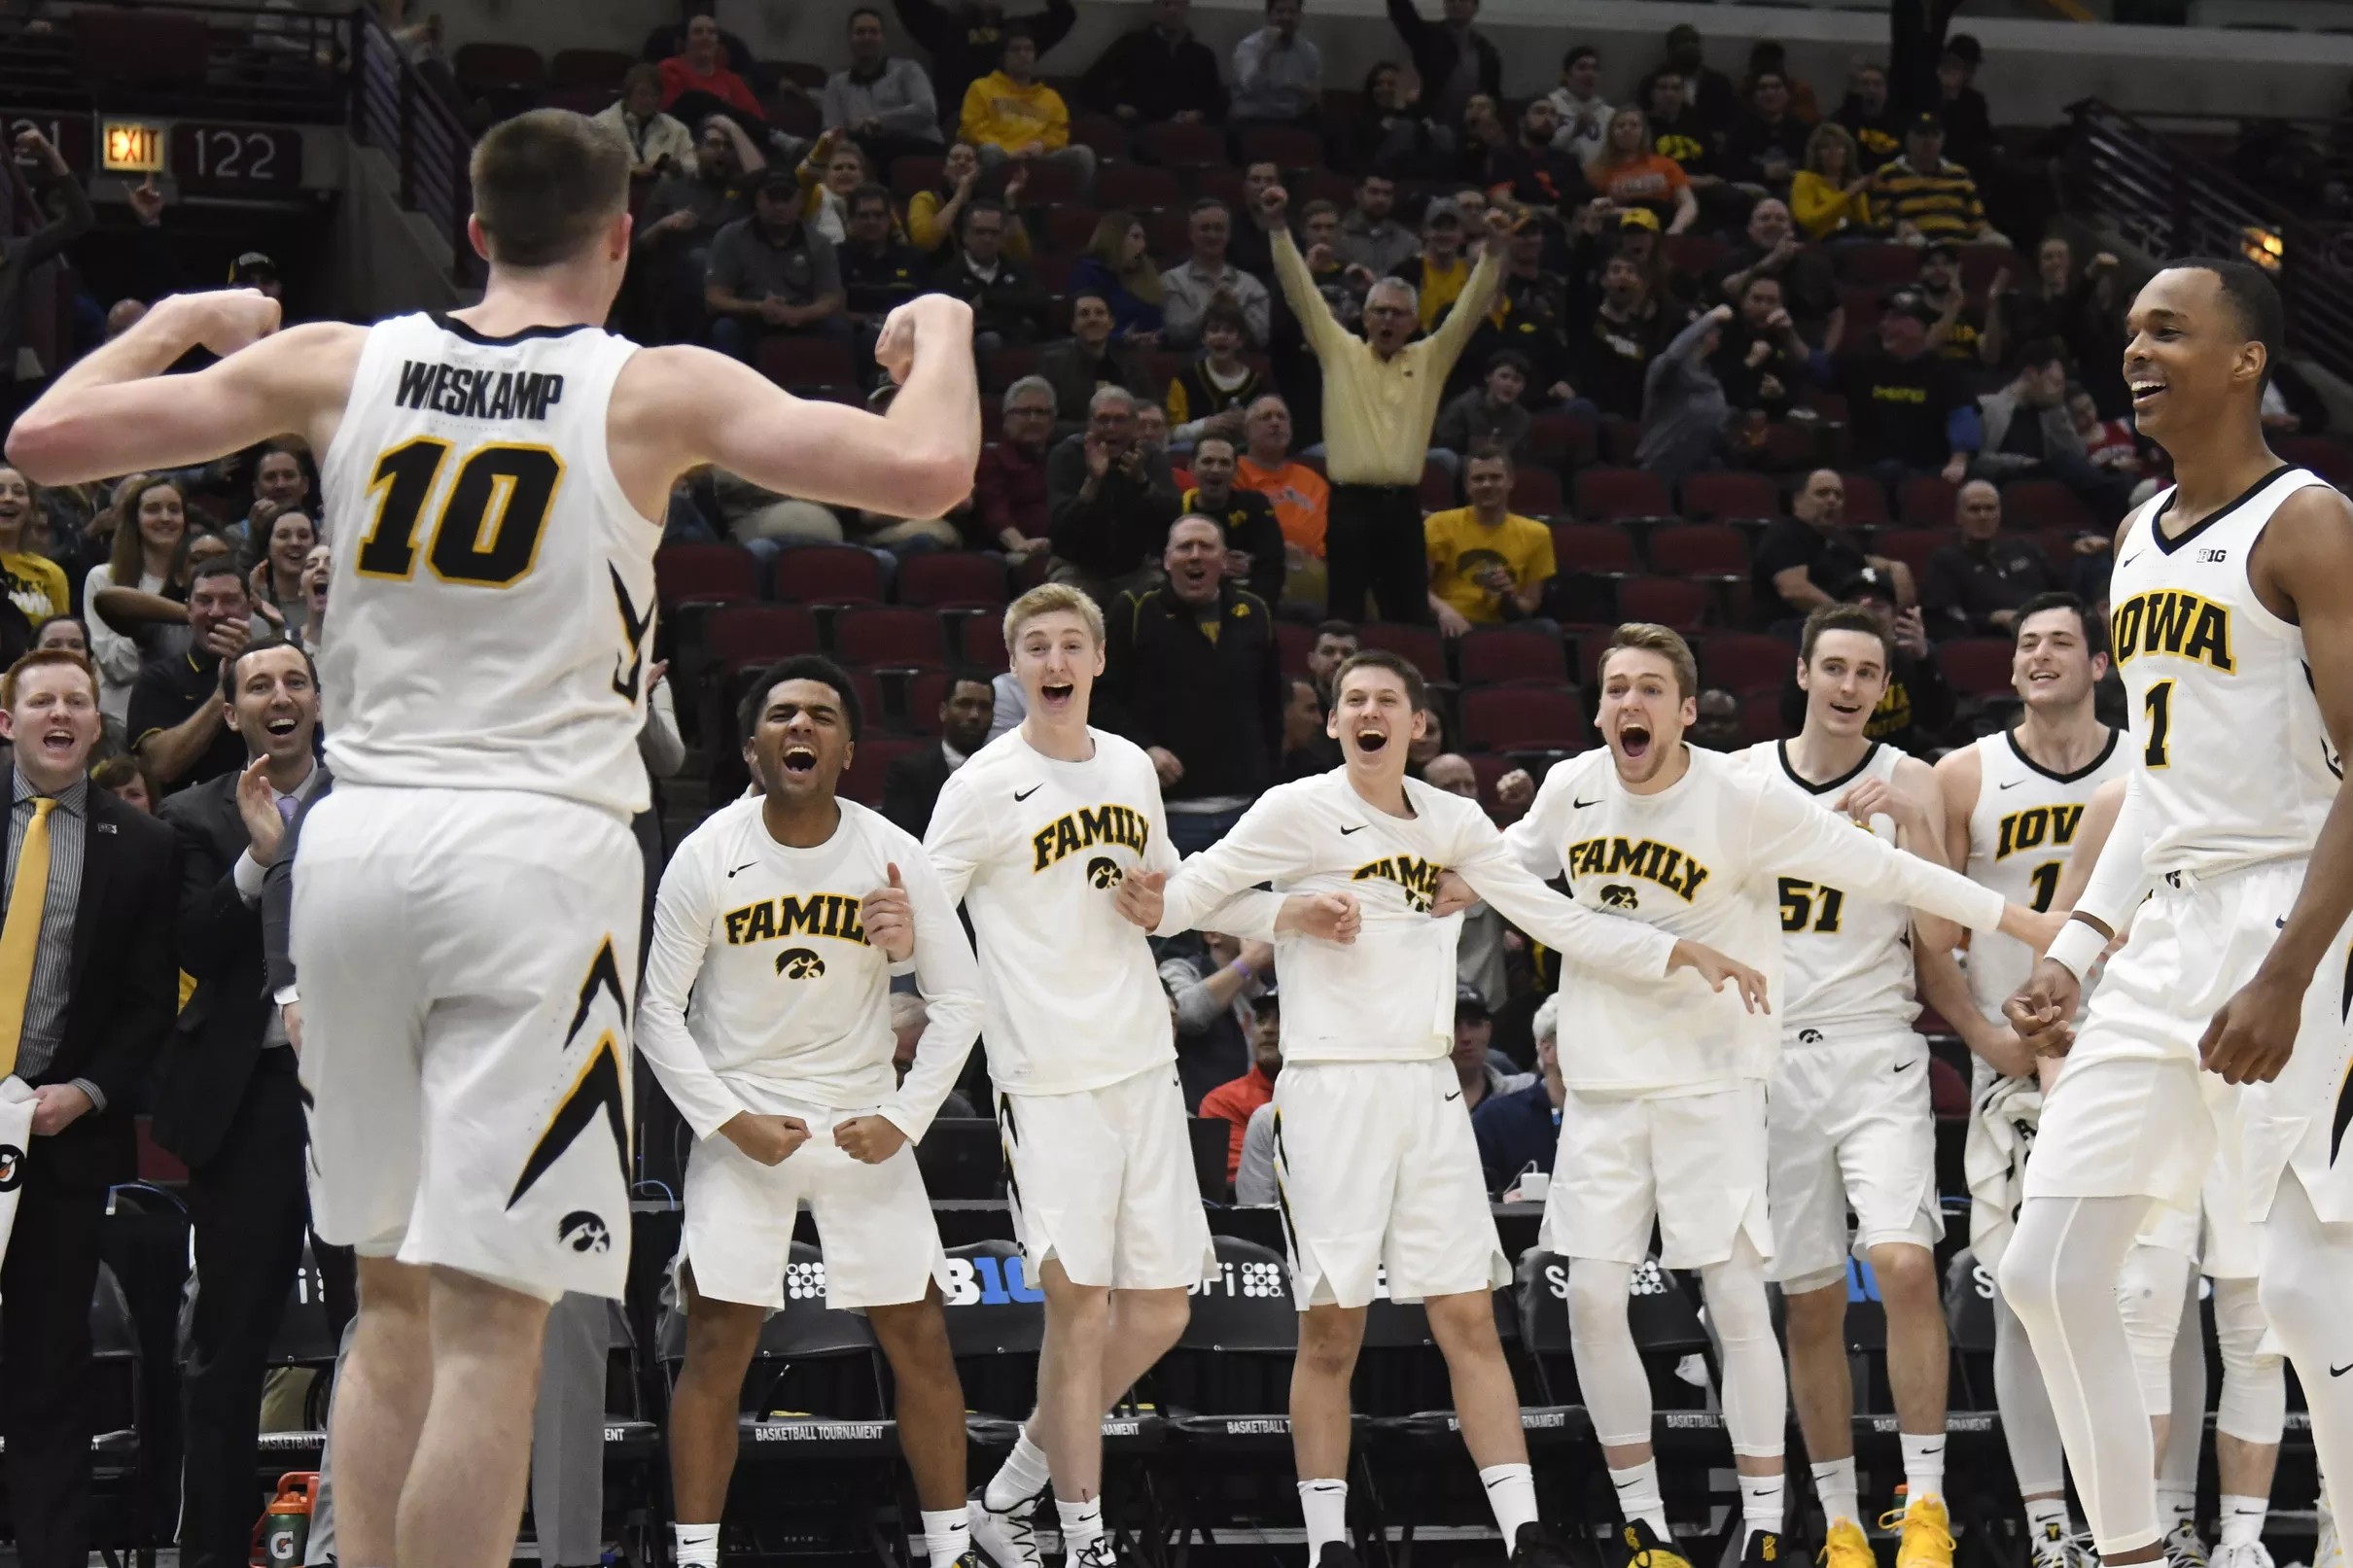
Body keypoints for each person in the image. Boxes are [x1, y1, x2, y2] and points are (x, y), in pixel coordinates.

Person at [5, 107, 981, 1568]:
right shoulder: (650, 387)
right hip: (532, 859)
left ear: (471, 232)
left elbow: (43, 435)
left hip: (355, 852)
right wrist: (947, 323)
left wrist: (196, 317)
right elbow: (930, 472)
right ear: (618, 239)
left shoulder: (344, 358)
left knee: (385, 1304)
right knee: (496, 1323)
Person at [1127, 646, 1770, 1568]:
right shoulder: (1296, 808)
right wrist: (1291, 913)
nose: (1368, 711)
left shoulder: (1456, 821)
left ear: (1417, 725)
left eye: (1387, 698)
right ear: (1338, 720)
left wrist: (1679, 954)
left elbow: (1559, 920)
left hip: (1427, 1089)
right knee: (1333, 1325)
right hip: (1331, 1085)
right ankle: (1328, 1542)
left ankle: (1523, 1534)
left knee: (1469, 1317)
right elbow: (1187, 898)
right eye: (1353, 700)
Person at [1492, 621, 2047, 1568]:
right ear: (1598, 704)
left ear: (1682, 708)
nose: (1630, 703)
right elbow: (1501, 866)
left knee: (1780, 1287)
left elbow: (1892, 875)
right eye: (1615, 686)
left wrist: (2026, 918)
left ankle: (1815, 1515)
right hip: (1636, 1074)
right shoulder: (1577, 788)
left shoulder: (1750, 797)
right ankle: (1674, 1525)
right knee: (1611, 1295)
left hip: (1756, 1066)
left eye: (1649, 689)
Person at [2000, 259, 2353, 1568]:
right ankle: (2138, 1556)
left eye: (2168, 330)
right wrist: (2081, 947)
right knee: (2048, 1272)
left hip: (2296, 917)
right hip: (2171, 931)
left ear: (2247, 358)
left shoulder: (2310, 524)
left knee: (2309, 1291)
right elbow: (2154, 779)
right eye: (2131, 333)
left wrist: (2286, 972)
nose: (2136, 351)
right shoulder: (2141, 532)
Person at [930, 584, 1291, 1568]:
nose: (1053, 659)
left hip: (1139, 1058)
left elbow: (1164, 891)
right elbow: (925, 909)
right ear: (1016, 669)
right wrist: (938, 1009)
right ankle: (1081, 1534)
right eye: (1034, 646)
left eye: (1069, 643)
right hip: (1044, 1075)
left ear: (1095, 661)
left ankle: (1004, 1494)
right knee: (1079, 1304)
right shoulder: (980, 786)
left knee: (1163, 1304)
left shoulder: (1129, 764)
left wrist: (1161, 899)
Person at [640, 656, 984, 1568]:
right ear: (753, 748)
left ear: (849, 749)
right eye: (783, 715)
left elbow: (962, 1002)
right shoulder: (707, 852)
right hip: (742, 1120)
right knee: (717, 1342)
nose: (802, 727)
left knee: (918, 1336)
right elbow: (653, 1015)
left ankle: (950, 1552)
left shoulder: (894, 852)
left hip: (861, 1117)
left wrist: (908, 1118)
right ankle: (695, 1557)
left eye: (823, 716)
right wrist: (727, 1121)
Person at [1739, 606, 1988, 1568]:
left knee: (1903, 1262)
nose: (1848, 686)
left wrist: (1906, 831)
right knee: (1806, 1299)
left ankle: (1921, 1502)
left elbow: (1940, 941)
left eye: (1867, 672)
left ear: (1883, 685)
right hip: (1771, 1058)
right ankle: (1839, 1518)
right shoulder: (1742, 777)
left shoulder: (1912, 778)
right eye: (1833, 666)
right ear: (1801, 671)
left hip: (1877, 1044)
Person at [1913, 596, 2129, 1568]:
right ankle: (2048, 1525)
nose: (2037, 656)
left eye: (2057, 643)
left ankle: (2152, 1512)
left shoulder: (2146, 767)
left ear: (2098, 662)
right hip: (2014, 1074)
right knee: (2015, 1289)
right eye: (2023, 643)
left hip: (2128, 1060)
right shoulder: (1966, 773)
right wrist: (1977, 1034)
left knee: (2142, 1291)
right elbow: (1929, 934)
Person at [154, 635, 331, 1568]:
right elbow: (192, 945)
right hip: (248, 1103)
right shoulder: (191, 815)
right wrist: (261, 862)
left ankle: (363, 1543)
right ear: (231, 713)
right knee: (227, 1353)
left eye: (295, 680)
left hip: (357, 1100)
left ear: (317, 698)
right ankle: (213, 1553)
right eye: (258, 684)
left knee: (374, 1337)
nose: (279, 695)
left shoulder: (374, 806)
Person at [0, 649, 178, 1568]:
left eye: (77, 700)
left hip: (58, 1142)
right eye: (42, 701)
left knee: (47, 1377)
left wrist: (90, 1090)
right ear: (9, 721)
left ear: (95, 724)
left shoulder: (141, 846)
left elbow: (151, 1002)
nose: (60, 713)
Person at [1261, 182, 1508, 625]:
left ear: (1414, 321)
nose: (1388, 320)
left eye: (1398, 313)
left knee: (1411, 614)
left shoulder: (1430, 357)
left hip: (1403, 508)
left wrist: (1492, 251)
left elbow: (1469, 311)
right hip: (1349, 507)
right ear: (1365, 316)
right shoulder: (1340, 350)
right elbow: (1301, 294)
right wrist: (1279, 228)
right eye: (1380, 311)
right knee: (1344, 613)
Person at [1100, 516, 1284, 854]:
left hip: (1246, 814)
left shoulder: (1255, 612)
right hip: (1165, 812)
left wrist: (1268, 792)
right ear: (1167, 560)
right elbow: (1100, 699)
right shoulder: (1134, 608)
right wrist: (1144, 749)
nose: (1195, 555)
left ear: (1224, 560)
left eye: (1206, 546)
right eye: (1185, 547)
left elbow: (1271, 706)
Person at [125, 560, 254, 794]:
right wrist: (224, 691)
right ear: (188, 610)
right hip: (179, 820)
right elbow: (160, 768)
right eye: (204, 601)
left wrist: (250, 667)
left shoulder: (275, 675)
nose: (216, 612)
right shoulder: (157, 678)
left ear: (249, 608)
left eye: (230, 600)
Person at [1046, 387, 1181, 594]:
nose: (1111, 428)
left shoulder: (1151, 457)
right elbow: (1059, 532)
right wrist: (1092, 481)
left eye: (1120, 420)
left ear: (1135, 425)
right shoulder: (1065, 456)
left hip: (1137, 568)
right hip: (1077, 567)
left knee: (1159, 599)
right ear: (1089, 424)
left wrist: (1142, 482)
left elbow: (1173, 516)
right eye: (1103, 419)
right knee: (1067, 599)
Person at [1837, 292, 1980, 484]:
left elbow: (1962, 415)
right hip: (1871, 468)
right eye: (1885, 318)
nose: (1885, 325)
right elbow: (1813, 365)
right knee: (1889, 470)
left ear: (1924, 328)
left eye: (1897, 318)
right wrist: (1789, 335)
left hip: (1929, 469)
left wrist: (1958, 460)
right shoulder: (1863, 363)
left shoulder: (1948, 372)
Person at [704, 173, 846, 361]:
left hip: (801, 319)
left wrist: (798, 314)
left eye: (786, 199)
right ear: (758, 200)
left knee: (838, 328)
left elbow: (831, 299)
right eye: (772, 198)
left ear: (800, 200)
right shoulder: (730, 237)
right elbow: (715, 297)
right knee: (724, 329)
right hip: (749, 318)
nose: (779, 207)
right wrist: (759, 307)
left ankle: (836, 388)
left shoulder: (819, 243)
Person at [1752, 470, 1914, 632]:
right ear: (1798, 500)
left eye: (1838, 495)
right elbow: (1794, 590)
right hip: (1799, 625)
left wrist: (1897, 568)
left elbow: (1870, 563)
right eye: (1822, 494)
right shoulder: (1785, 533)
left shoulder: (1843, 540)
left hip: (1844, 624)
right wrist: (1851, 619)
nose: (1832, 500)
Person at [891, 0, 1078, 138]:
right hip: (962, 115)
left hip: (1012, 115)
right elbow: (909, 6)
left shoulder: (1018, 30)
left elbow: (1064, 16)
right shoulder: (946, 26)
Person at [1423, 448, 1555, 637]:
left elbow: (1529, 604)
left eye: (1495, 477)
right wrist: (1444, 611)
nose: (1487, 485)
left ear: (1510, 481)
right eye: (1478, 479)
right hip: (1450, 622)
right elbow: (1418, 587)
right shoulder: (1439, 524)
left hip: (1503, 626)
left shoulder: (1537, 534)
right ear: (1467, 486)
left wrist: (1507, 596)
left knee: (1546, 629)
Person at [957, 29, 1095, 194]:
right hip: (1001, 154)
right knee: (990, 151)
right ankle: (995, 208)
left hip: (1038, 155)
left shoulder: (1050, 97)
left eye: (1028, 50)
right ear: (1003, 57)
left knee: (1083, 154)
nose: (1023, 55)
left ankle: (1077, 213)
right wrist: (1009, 151)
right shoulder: (981, 87)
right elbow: (972, 128)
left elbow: (1059, 133)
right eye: (1015, 50)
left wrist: (1041, 144)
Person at [1924, 480, 2055, 639]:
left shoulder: (2025, 549)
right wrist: (1992, 618)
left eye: (1990, 508)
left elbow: (2062, 594)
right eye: (1974, 509)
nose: (1983, 516)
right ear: (1958, 516)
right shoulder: (1946, 561)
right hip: (1991, 643)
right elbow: (1941, 621)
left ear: (1999, 513)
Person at [823, 7, 945, 171]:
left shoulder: (908, 70)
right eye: (860, 32)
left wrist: (879, 121)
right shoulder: (837, 83)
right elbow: (832, 130)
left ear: (883, 38)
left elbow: (927, 111)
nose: (867, 37)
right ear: (850, 38)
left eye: (873, 32)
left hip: (918, 147)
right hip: (863, 154)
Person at [883, 675, 997, 838]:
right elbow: (902, 844)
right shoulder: (908, 773)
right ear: (943, 711)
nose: (974, 715)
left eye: (984, 707)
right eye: (964, 704)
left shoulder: (1005, 771)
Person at [1078, 0, 1225, 126]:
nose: (1172, 10)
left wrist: (1199, 115)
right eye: (1166, 3)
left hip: (1184, 133)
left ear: (1187, 9)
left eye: (1179, 4)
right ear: (1155, 9)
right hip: (1136, 129)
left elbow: (1216, 103)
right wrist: (1116, 108)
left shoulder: (1202, 55)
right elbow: (1090, 86)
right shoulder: (1131, 44)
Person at [1473, 993, 1563, 1195]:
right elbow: (1465, 1204)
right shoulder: (1495, 1120)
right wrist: (1502, 1206)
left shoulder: (1622, 1118)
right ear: (1547, 1049)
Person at [933, 198, 1052, 352]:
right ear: (965, 236)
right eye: (980, 232)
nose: (987, 239)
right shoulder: (946, 276)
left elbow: (1042, 304)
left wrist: (988, 299)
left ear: (1004, 238)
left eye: (994, 233)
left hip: (1017, 348)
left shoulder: (1019, 271)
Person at [1637, 303, 1733, 492]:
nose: (1715, 331)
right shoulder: (1665, 369)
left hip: (1701, 464)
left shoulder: (1710, 377)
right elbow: (1673, 356)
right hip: (1661, 463)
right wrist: (1711, 318)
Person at [1180, 436, 1284, 606]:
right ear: (1191, 467)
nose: (1215, 469)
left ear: (1236, 471)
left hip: (1249, 603)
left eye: (1224, 463)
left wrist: (1255, 613)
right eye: (1207, 461)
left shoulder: (1255, 505)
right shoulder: (1177, 511)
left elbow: (1272, 564)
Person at [1868, 115, 2000, 245]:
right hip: (1916, 245)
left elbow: (1976, 218)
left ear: (1942, 140)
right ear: (1908, 138)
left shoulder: (1960, 174)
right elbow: (1881, 218)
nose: (1928, 141)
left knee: (2000, 244)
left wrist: (1986, 232)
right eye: (1921, 135)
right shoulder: (1888, 173)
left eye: (1934, 135)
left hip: (1960, 245)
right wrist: (1898, 226)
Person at [1235, 394, 1330, 574]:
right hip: (1257, 568)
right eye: (1266, 417)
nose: (1275, 423)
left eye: (1282, 417)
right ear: (1246, 431)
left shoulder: (1314, 480)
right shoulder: (1235, 473)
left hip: (1315, 570)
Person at [1160, 201, 1271, 352]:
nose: (1212, 235)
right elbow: (1177, 335)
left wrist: (1234, 310)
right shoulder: (1172, 280)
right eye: (1204, 229)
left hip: (1243, 364)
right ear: (1191, 234)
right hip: (1191, 365)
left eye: (1219, 229)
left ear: (1228, 235)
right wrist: (1209, 308)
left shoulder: (1251, 285)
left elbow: (1262, 337)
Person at [1197, 990, 1281, 1183]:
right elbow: (1249, 1179)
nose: (1268, 1029)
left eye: (1281, 1020)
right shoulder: (1223, 1101)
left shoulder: (1331, 1096)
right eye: (1261, 1020)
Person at [973, 378, 1058, 559]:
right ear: (1006, 418)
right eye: (1024, 412)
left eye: (1041, 412)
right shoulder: (993, 458)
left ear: (1052, 421)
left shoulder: (1061, 456)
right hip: (1009, 550)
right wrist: (1020, 544)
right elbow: (995, 511)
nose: (1033, 419)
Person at [906, 141, 1032, 261]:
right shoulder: (925, 199)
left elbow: (1021, 255)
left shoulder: (989, 204)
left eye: (969, 159)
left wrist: (1009, 200)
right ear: (944, 169)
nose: (962, 162)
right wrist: (960, 195)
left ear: (978, 171)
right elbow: (924, 243)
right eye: (955, 158)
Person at [1165, 297, 1265, 447]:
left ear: (1240, 340)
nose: (1221, 336)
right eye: (1214, 329)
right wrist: (1206, 425)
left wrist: (1247, 426)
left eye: (1229, 331)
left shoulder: (1258, 383)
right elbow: (1172, 433)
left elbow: (1269, 429)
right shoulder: (1184, 380)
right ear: (1204, 338)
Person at [1584, 107, 1696, 235]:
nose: (1627, 129)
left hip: (1663, 227)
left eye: (1634, 125)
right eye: (1621, 126)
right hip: (1620, 231)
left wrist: (1676, 228)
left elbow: (1688, 203)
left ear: (1644, 132)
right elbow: (1594, 211)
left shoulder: (1666, 165)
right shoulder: (1597, 169)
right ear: (1611, 133)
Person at [1067, 214, 1166, 344]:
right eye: (1135, 237)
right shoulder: (1088, 272)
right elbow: (1085, 326)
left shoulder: (1146, 274)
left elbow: (1156, 323)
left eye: (1143, 238)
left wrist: (1156, 337)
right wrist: (1122, 339)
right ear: (1115, 239)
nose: (1142, 245)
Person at [658, 13, 766, 127]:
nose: (706, 37)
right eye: (698, 32)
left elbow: (756, 118)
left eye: (711, 32)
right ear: (685, 42)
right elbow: (670, 117)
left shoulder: (731, 79)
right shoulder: (670, 68)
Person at [1228, 0, 1322, 130]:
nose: (1286, 17)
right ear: (1269, 15)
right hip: (1252, 121)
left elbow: (1313, 93)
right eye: (1280, 11)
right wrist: (1267, 50)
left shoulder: (1309, 51)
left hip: (1292, 121)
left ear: (1300, 16)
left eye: (1292, 12)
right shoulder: (1248, 47)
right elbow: (1250, 88)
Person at [596, 63, 696, 177]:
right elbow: (593, 165)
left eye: (654, 96)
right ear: (628, 94)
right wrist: (630, 170)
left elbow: (693, 164)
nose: (648, 101)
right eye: (642, 94)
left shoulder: (676, 129)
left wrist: (679, 167)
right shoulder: (601, 124)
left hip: (662, 190)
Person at [0, 467, 68, 631]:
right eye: (0, 491)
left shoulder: (51, 573)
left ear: (31, 508)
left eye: (19, 492)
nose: (9, 498)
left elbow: (59, 638)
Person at [246, 507, 318, 643]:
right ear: (268, 546)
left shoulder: (330, 603)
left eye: (303, 535)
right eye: (283, 535)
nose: (295, 543)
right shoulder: (252, 606)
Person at [1792, 122, 1872, 241]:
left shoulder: (1852, 182)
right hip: (1822, 243)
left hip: (1856, 239)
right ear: (1816, 153)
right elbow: (1807, 220)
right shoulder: (1804, 179)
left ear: (1847, 151)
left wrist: (1857, 198)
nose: (1833, 151)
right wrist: (1847, 195)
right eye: (1825, 147)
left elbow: (1865, 224)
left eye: (1839, 146)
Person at [1548, 47, 1612, 167]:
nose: (1589, 74)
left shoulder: (1610, 115)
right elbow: (1538, 147)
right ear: (1566, 75)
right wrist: (1573, 130)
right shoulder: (1549, 105)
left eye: (1594, 69)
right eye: (1582, 68)